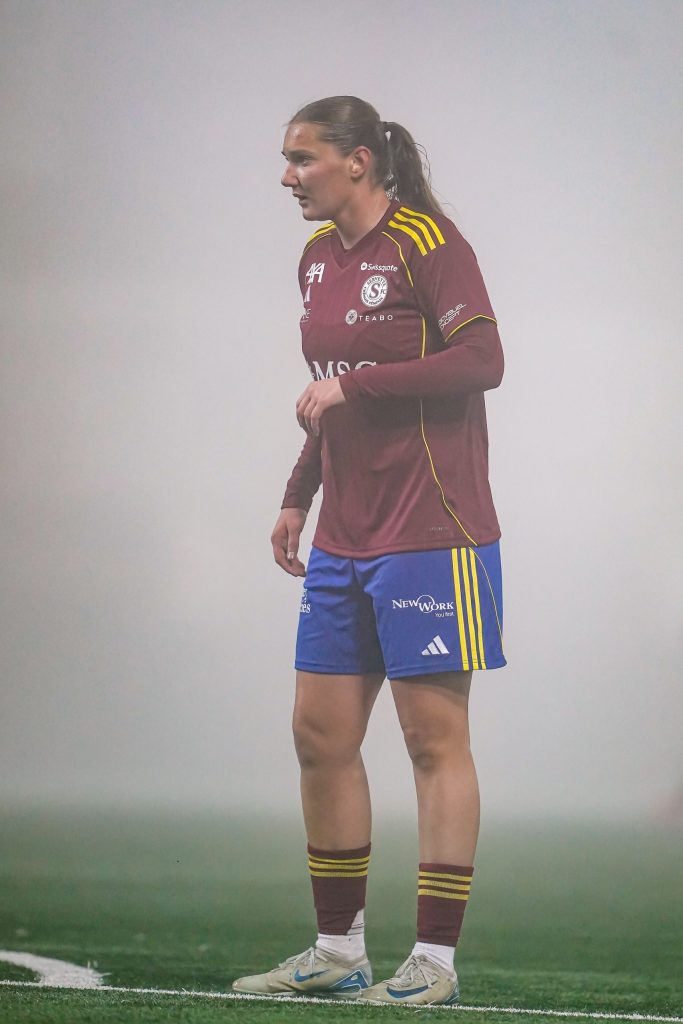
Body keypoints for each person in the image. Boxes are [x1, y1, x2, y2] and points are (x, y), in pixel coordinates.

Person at [232, 96, 505, 1006]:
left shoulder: (429, 242)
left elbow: (483, 361)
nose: (286, 176)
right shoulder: (315, 259)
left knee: (432, 741)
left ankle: (434, 962)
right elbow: (329, 392)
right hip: (343, 534)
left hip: (431, 531)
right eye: (285, 159)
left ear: (357, 161)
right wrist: (296, 495)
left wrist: (361, 387)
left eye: (301, 158)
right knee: (318, 736)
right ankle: (337, 950)